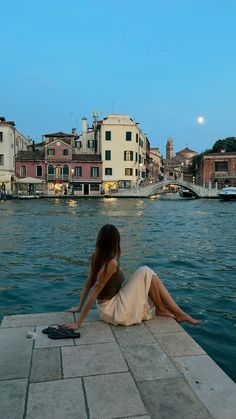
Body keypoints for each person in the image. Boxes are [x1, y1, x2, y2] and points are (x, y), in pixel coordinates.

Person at [64, 224, 201, 330]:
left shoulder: (95, 258)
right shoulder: (110, 264)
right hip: (112, 309)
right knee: (146, 271)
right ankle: (174, 312)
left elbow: (87, 284)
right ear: (115, 242)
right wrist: (78, 323)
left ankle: (167, 310)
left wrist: (78, 306)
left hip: (108, 305)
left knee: (148, 276)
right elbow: (93, 292)